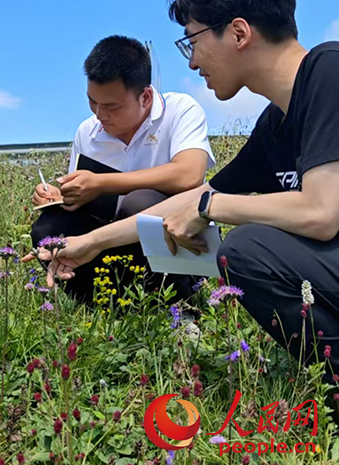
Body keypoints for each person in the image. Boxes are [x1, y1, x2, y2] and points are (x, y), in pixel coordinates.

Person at [29, 0, 339, 439]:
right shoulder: (276, 127)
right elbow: (187, 200)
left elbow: (321, 212)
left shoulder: (332, 69)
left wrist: (211, 206)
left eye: (191, 42)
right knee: (254, 248)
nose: (191, 64)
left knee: (250, 249)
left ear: (238, 33)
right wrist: (89, 244)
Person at [30, 35, 214, 305]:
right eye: (93, 102)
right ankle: (93, 303)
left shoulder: (179, 111)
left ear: (146, 96)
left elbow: (189, 175)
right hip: (108, 238)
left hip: (173, 238)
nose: (100, 114)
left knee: (140, 202)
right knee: (49, 226)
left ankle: (178, 301)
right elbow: (82, 201)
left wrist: (103, 183)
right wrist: (60, 196)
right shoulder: (87, 132)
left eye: (112, 106)